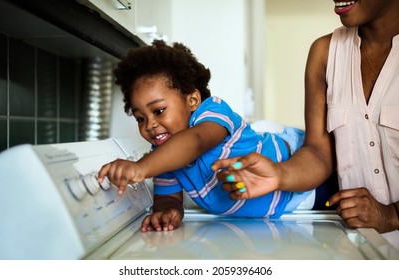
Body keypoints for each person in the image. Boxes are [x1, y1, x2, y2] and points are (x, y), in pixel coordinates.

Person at [213, 0, 399, 249]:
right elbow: (319, 153)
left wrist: (391, 215)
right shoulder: (325, 52)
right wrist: (278, 175)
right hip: (358, 249)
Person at [97, 40, 334, 232]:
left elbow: (195, 142)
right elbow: (168, 198)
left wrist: (140, 168)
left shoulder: (213, 113)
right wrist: (168, 212)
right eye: (140, 118)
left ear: (192, 101)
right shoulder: (161, 159)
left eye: (159, 111)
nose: (150, 125)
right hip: (278, 217)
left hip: (309, 183)